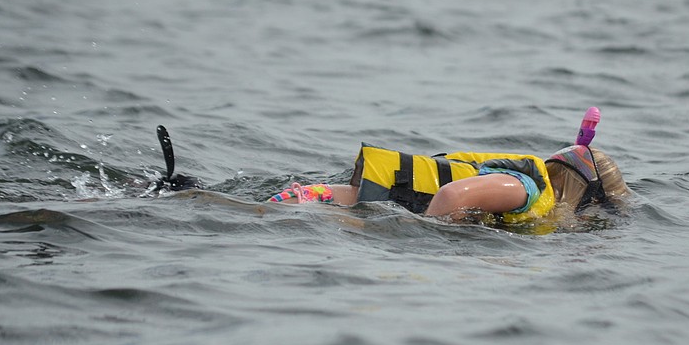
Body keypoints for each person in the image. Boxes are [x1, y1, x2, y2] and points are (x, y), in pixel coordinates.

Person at [261, 107, 629, 224]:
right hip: (322, 208)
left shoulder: (529, 187)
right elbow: (452, 194)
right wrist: (423, 232)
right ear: (584, 195)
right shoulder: (526, 189)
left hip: (319, 201)